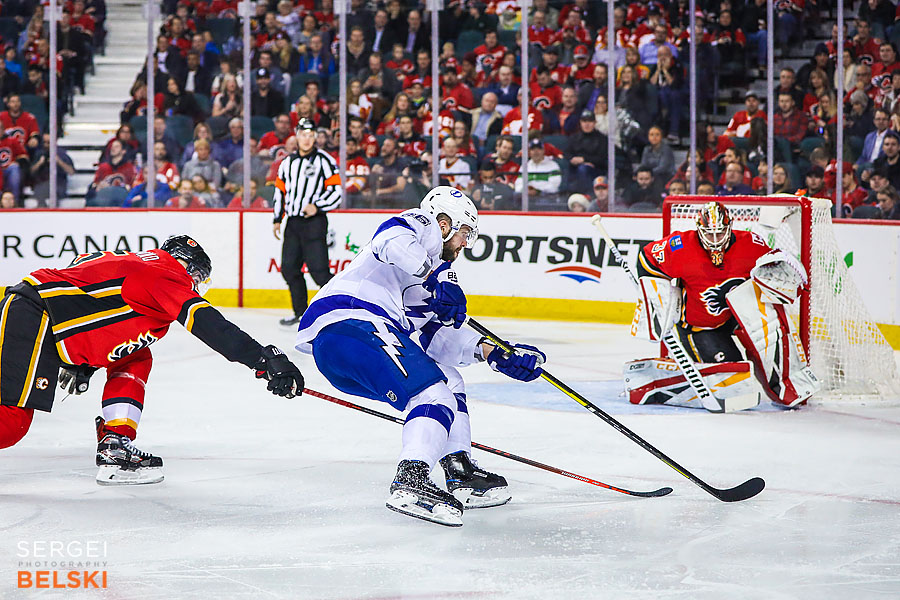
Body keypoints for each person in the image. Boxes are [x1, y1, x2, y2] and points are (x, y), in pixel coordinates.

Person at [293, 187, 545, 526]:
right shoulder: (420, 227)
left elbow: (433, 338)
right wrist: (434, 274)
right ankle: (410, 480)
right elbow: (389, 238)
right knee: (432, 392)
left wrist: (492, 352)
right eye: (465, 233)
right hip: (350, 323)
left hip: (352, 346)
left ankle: (458, 470)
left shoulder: (421, 284)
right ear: (444, 224)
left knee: (449, 381)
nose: (465, 244)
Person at [0, 236, 304, 484]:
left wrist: (85, 363)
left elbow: (85, 294)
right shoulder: (166, 273)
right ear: (184, 264)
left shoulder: (130, 260)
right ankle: (115, 441)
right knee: (13, 422)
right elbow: (210, 325)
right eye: (197, 276)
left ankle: (115, 440)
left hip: (35, 315)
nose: (195, 284)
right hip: (32, 318)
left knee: (136, 355)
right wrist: (262, 359)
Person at [633, 202, 817, 408]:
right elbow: (646, 259)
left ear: (729, 227)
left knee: (771, 326)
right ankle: (659, 382)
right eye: (709, 234)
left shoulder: (751, 244)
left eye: (720, 233)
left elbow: (771, 272)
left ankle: (786, 385)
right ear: (698, 229)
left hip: (740, 319)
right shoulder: (680, 246)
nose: (715, 240)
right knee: (736, 381)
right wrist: (656, 298)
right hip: (700, 328)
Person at [273, 118, 343, 327]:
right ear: (296, 136)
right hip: (293, 223)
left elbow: (336, 192)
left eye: (310, 135)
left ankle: (337, 311)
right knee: (288, 268)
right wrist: (277, 219)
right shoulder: (287, 163)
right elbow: (280, 192)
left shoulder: (325, 161)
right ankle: (301, 312)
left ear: (315, 137)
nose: (306, 139)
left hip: (314, 222)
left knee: (319, 270)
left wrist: (318, 205)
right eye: (303, 134)